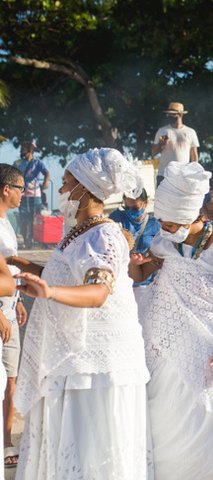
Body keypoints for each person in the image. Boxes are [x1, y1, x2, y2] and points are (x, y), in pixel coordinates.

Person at [13, 148, 149, 478]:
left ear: (84, 189)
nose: (60, 191)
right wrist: (21, 264)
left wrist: (50, 293)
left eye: (66, 183)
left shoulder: (105, 234)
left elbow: (99, 290)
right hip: (74, 364)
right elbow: (69, 274)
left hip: (94, 369)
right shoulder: (80, 233)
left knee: (89, 454)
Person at [128, 161, 213, 479]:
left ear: (191, 214)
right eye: (161, 218)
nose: (163, 225)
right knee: (168, 432)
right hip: (169, 354)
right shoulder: (163, 243)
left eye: (169, 219)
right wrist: (131, 263)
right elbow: (141, 274)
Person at [0, 165, 27, 468]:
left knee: (10, 380)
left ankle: (6, 442)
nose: (24, 192)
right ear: (6, 188)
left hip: (11, 306)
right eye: (20, 187)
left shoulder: (7, 222)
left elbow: (10, 269)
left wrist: (17, 300)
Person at [108, 187, 161, 307]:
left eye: (135, 208)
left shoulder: (155, 225)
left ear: (145, 203)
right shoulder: (116, 218)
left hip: (145, 285)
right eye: (127, 208)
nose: (130, 211)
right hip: (120, 282)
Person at [151, 102, 200, 183]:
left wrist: (195, 173)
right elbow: (153, 153)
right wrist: (161, 144)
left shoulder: (190, 132)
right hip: (164, 174)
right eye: (168, 114)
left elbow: (194, 154)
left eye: (172, 114)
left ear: (180, 114)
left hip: (183, 175)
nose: (169, 116)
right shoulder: (162, 131)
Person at [17, 140, 50, 249]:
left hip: (35, 195)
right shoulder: (18, 163)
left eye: (23, 149)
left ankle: (32, 239)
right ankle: (25, 238)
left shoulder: (38, 163)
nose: (21, 151)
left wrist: (45, 182)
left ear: (30, 151)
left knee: (34, 218)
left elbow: (47, 172)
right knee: (23, 218)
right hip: (22, 195)